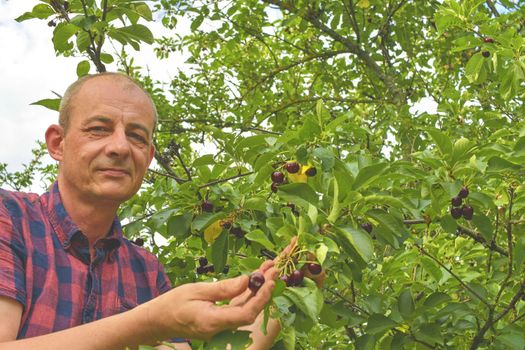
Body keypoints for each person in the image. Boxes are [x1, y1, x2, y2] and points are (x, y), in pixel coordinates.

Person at [0, 72, 282, 349]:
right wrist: (148, 322)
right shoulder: (10, 217)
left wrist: (283, 293)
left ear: (147, 158)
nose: (120, 147)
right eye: (99, 129)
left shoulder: (146, 272)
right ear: (57, 143)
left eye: (136, 136)